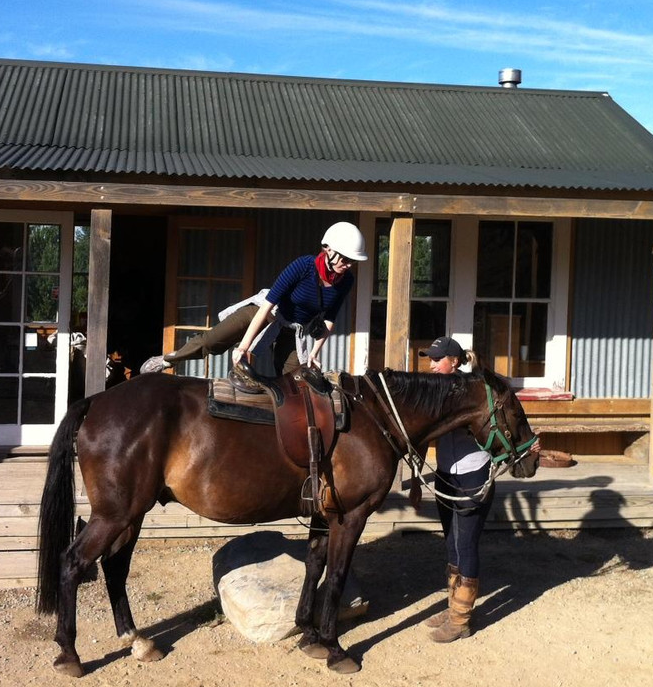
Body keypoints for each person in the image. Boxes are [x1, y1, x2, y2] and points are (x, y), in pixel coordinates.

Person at [419, 335, 539, 643]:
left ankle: (461, 621)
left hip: (474, 475)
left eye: (437, 359)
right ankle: (454, 606)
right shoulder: (437, 390)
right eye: (430, 359)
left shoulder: (474, 392)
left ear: (454, 361)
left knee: (466, 545)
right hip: (446, 474)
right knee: (451, 543)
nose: (431, 365)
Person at [139, 221, 367, 376]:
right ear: (328, 250)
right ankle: (168, 359)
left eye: (353, 261)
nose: (348, 265)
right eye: (345, 259)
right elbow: (267, 305)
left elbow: (329, 319)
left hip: (292, 330)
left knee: (297, 379)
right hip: (266, 312)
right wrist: (244, 347)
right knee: (212, 341)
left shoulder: (346, 281)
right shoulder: (303, 266)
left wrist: (314, 354)